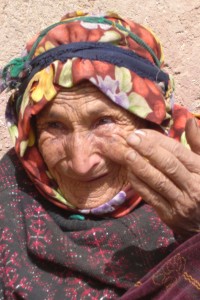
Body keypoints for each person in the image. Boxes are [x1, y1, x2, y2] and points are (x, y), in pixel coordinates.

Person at [0, 11, 200, 299]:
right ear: (29, 134)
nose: (81, 163)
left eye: (104, 121)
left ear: (151, 121)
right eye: (54, 125)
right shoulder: (10, 199)